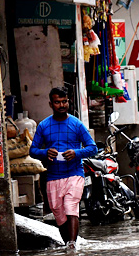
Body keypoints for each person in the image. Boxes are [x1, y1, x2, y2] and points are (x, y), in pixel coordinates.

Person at [29, 86, 98, 244]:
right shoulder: (44, 126)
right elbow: (32, 150)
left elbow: (92, 148)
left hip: (74, 173)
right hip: (53, 176)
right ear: (50, 104)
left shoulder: (77, 124)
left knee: (70, 207)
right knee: (59, 214)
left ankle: (72, 246)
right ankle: (68, 246)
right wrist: (45, 152)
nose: (61, 105)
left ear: (69, 102)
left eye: (64, 101)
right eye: (57, 102)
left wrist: (76, 153)